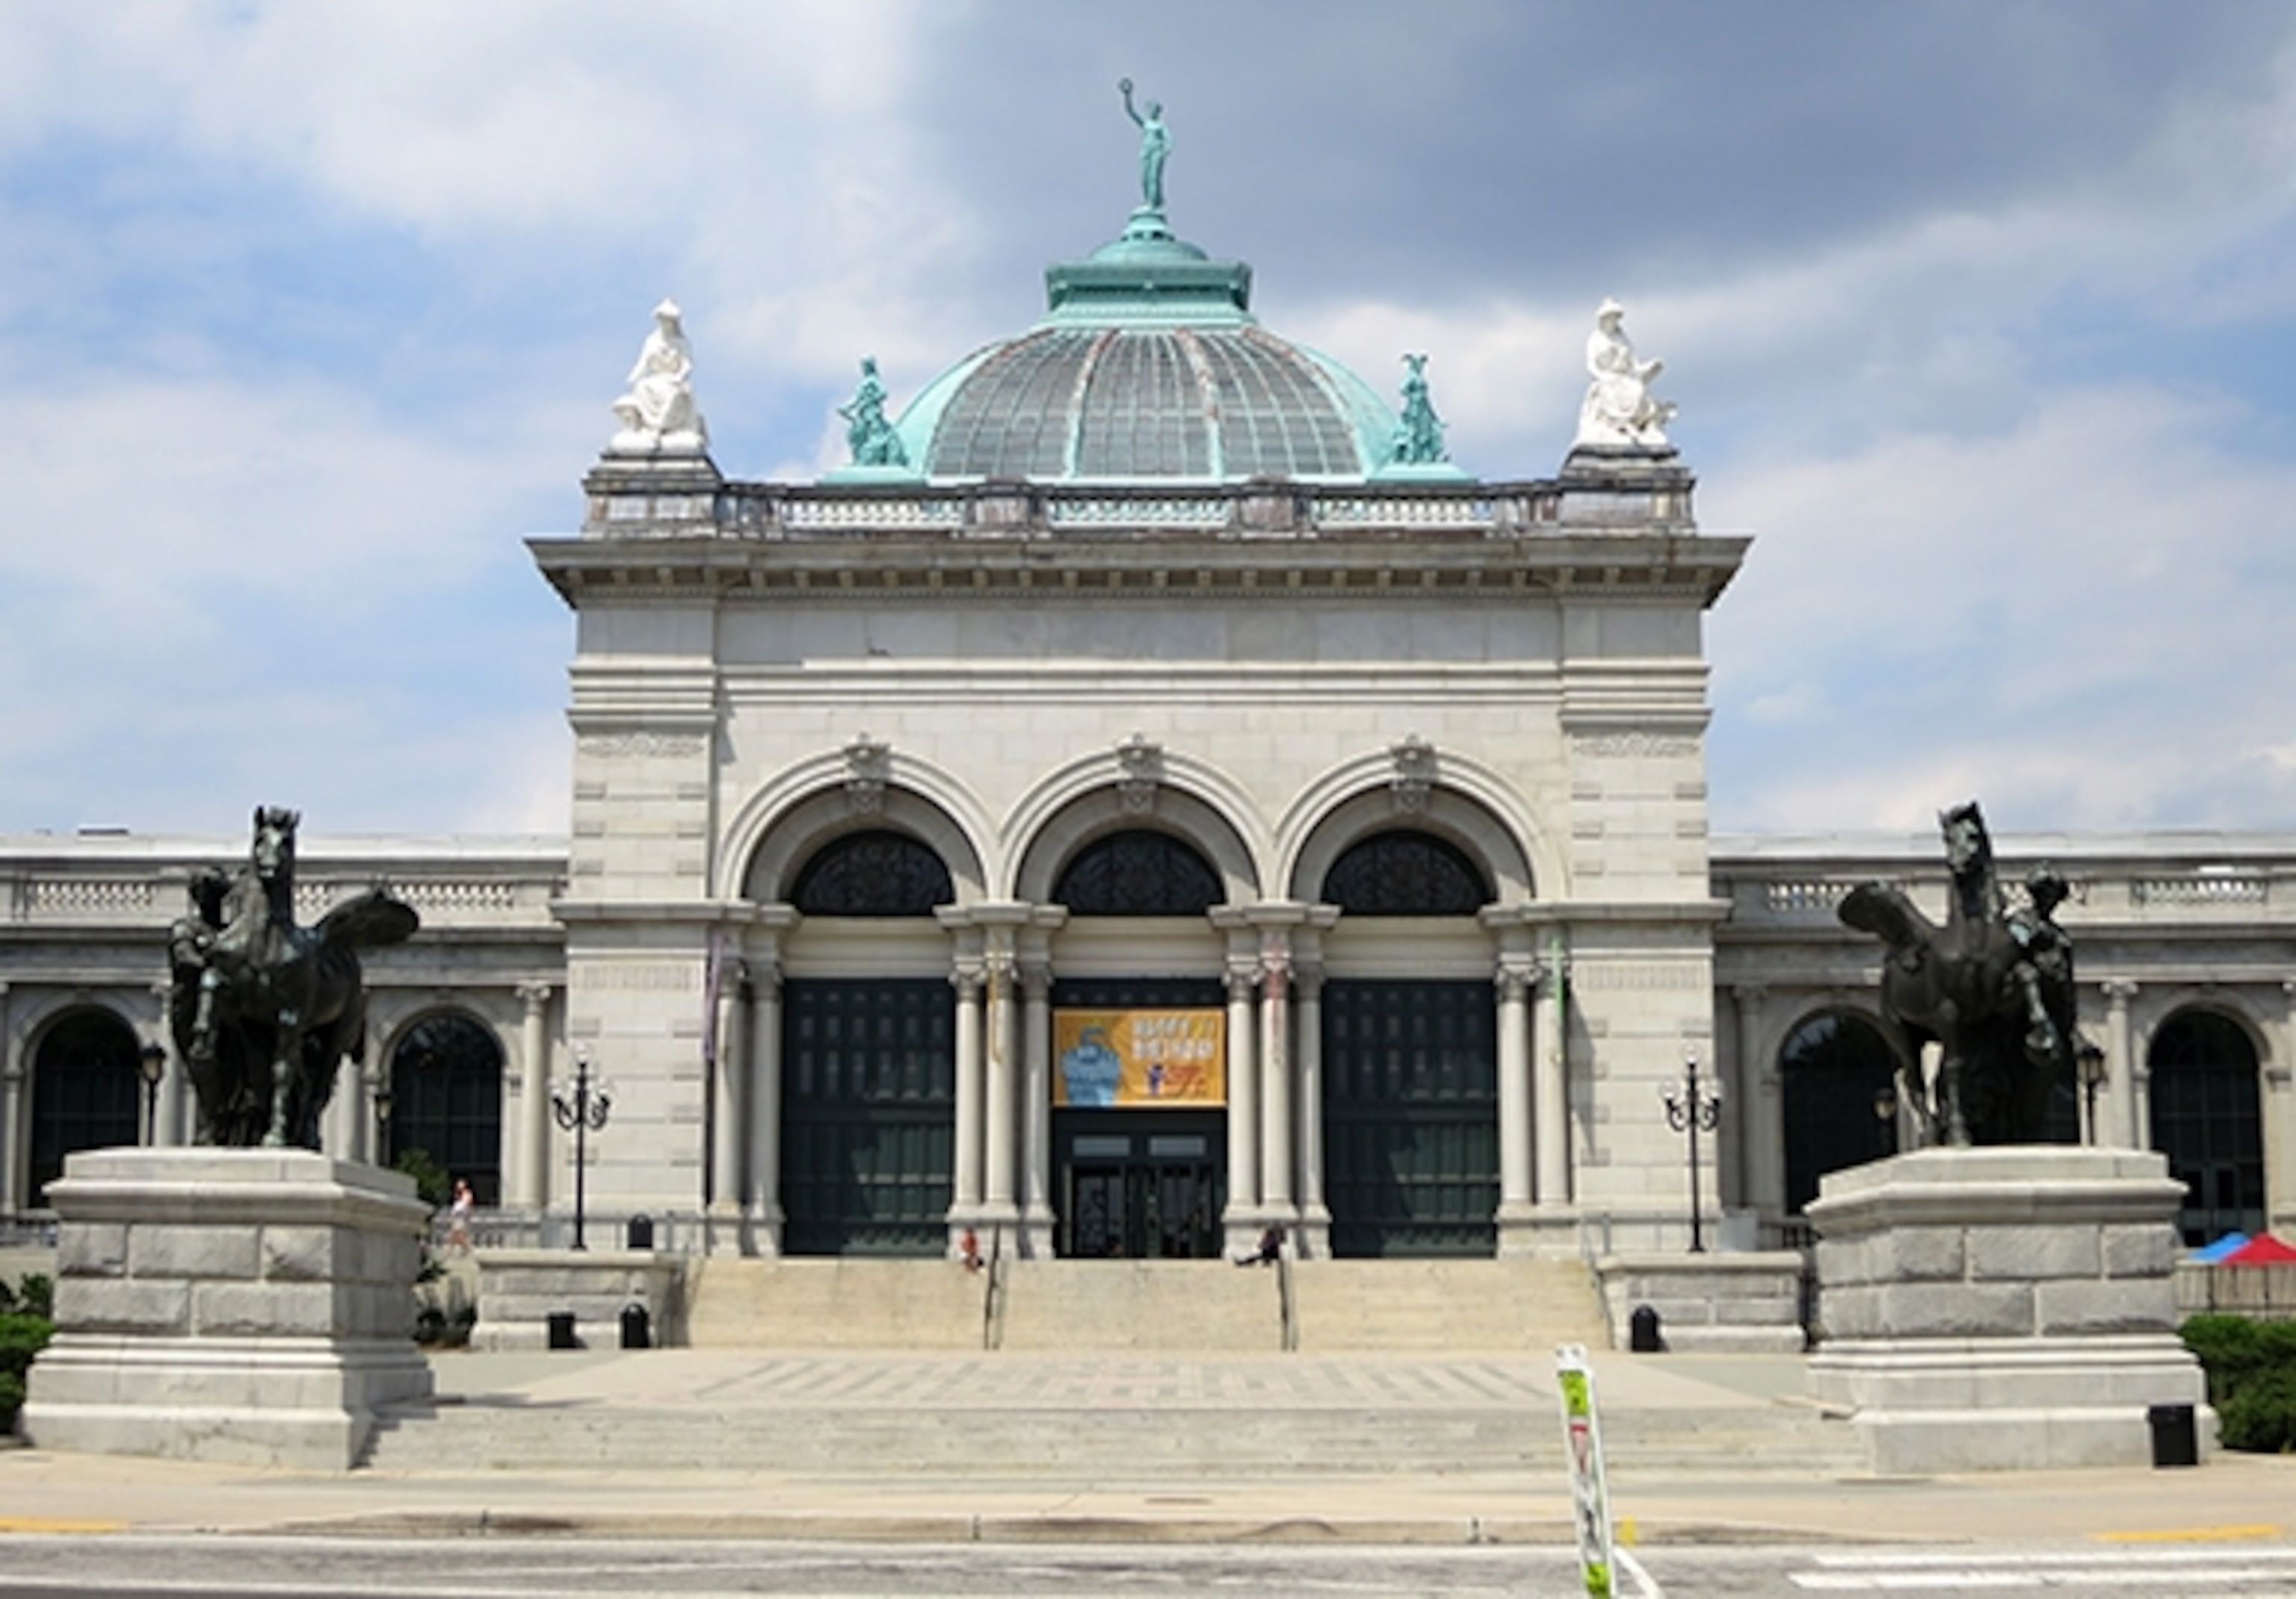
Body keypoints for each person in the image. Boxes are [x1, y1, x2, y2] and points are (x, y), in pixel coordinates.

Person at [448, 1178, 475, 1253]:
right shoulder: (458, 1196)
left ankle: (467, 1248)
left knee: (458, 1234)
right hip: (457, 1217)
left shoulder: (467, 1195)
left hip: (461, 1217)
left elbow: (466, 1206)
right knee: (454, 1234)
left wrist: (468, 1215)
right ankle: (452, 1250)